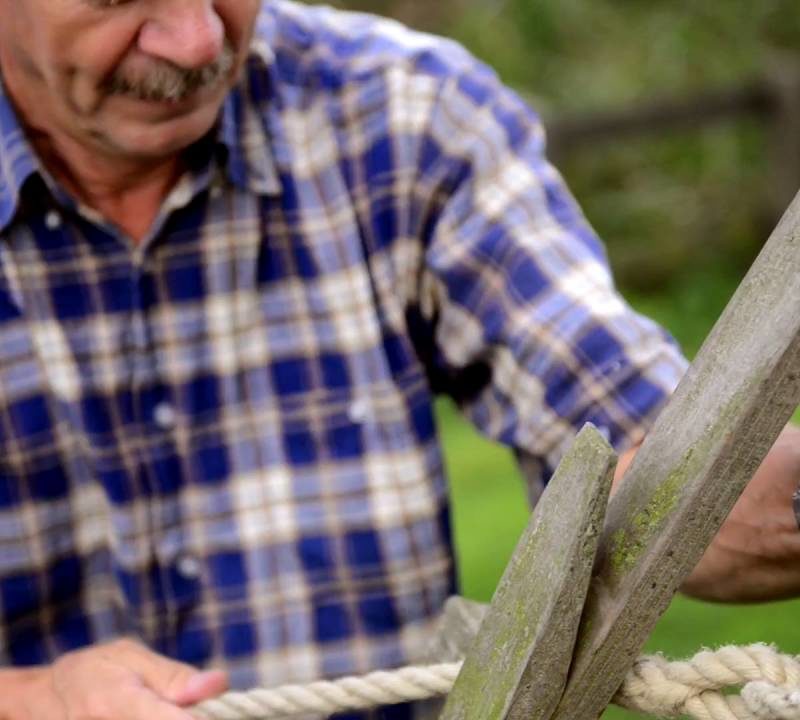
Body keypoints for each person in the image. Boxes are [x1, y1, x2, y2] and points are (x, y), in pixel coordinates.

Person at [0, 1, 797, 718]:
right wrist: (33, 699)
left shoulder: (406, 113)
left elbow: (646, 450)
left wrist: (755, 484)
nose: (198, 37)